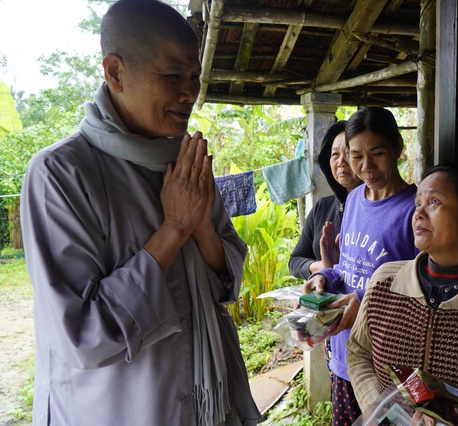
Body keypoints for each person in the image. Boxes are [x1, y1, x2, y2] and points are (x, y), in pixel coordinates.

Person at [19, 1, 260, 425]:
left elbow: (229, 284)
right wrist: (173, 230)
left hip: (212, 407)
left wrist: (202, 227)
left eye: (194, 78)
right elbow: (83, 336)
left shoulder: (184, 164)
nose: (189, 93)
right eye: (172, 76)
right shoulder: (61, 173)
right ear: (115, 73)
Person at [346, 163, 458, 413]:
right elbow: (358, 352)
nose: (418, 213)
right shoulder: (384, 282)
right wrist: (377, 407)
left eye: (434, 202)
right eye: (418, 203)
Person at [303, 106, 419, 425]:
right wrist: (325, 277)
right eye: (356, 156)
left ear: (398, 147)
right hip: (343, 353)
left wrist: (368, 302)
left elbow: (424, 292)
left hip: (388, 363)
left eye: (377, 153)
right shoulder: (354, 199)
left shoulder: (414, 212)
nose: (366, 167)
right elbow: (349, 269)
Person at [288, 120, 362, 280]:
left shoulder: (378, 209)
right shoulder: (322, 207)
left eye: (349, 154)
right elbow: (295, 261)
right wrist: (324, 267)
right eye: (335, 154)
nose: (341, 162)